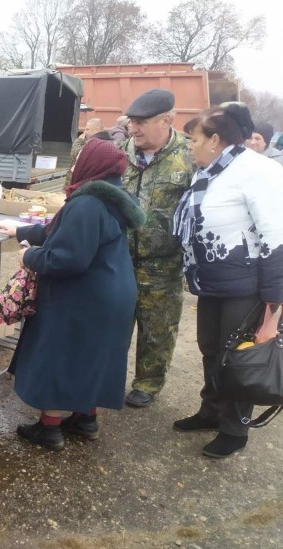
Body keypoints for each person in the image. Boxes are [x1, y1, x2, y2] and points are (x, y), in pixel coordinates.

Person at [0, 139, 146, 450]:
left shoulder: (86, 203)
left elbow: (67, 259)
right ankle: (85, 420)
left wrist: (29, 256)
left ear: (92, 164)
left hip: (84, 296)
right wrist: (20, 231)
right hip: (113, 292)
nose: (74, 164)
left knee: (60, 355)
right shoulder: (112, 198)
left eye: (79, 159)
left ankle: (49, 428)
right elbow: (60, 232)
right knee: (92, 357)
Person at [172, 103, 283, 458]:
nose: (190, 147)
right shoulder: (211, 171)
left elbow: (276, 237)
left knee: (237, 357)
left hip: (246, 287)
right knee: (210, 348)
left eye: (194, 140)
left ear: (215, 140)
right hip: (212, 282)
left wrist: (274, 308)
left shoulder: (258, 171)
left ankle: (235, 430)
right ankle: (212, 411)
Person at [121, 89, 195, 408]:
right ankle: (108, 377)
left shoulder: (189, 157)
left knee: (158, 328)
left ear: (166, 120)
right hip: (120, 259)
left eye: (141, 122)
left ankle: (148, 383)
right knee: (115, 323)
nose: (133, 129)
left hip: (163, 263)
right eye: (131, 122)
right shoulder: (120, 153)